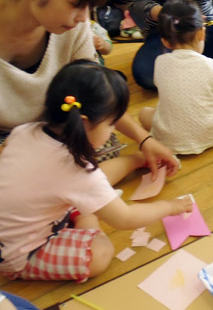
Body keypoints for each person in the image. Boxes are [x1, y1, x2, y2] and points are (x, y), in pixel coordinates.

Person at [0, 0, 178, 179]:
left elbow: (96, 93)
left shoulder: (72, 26)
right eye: (76, 5)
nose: (83, 19)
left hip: (57, 125)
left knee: (98, 148)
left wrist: (144, 140)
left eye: (88, 7)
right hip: (8, 141)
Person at [0, 60, 193, 282]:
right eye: (111, 124)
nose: (113, 130)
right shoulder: (76, 171)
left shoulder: (25, 131)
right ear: (83, 123)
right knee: (100, 253)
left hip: (17, 220)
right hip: (18, 253)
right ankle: (82, 221)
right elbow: (126, 218)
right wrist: (169, 206)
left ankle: (138, 160)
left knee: (86, 185)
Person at [138, 0, 213, 153]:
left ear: (165, 42)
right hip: (209, 133)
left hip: (168, 137)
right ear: (202, 33)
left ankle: (171, 134)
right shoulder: (212, 65)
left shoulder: (160, 62)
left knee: (144, 113)